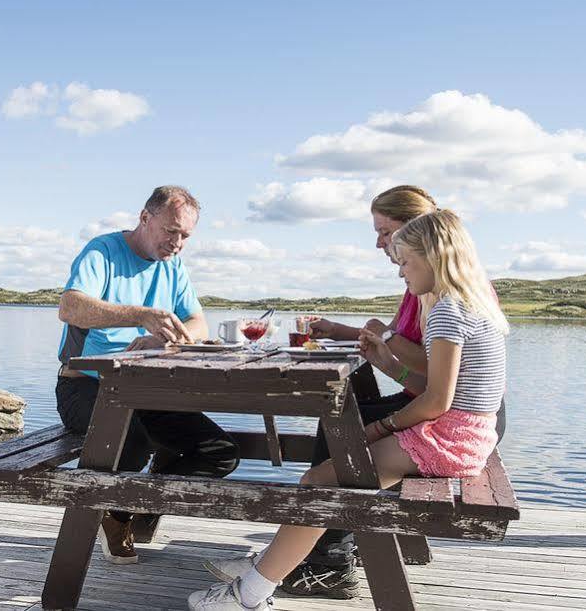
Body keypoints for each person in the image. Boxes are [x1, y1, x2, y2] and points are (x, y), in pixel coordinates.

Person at [188, 209, 509, 611]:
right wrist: (388, 362)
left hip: (449, 437)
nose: (401, 273)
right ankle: (261, 578)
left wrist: (380, 428)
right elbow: (433, 389)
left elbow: (436, 402)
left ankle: (250, 593)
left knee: (320, 482)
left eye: (406, 261)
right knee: (324, 476)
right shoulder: (468, 302)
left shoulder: (446, 310)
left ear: (434, 256)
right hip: (467, 433)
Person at [277, 185, 506, 599]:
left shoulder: (443, 299)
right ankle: (322, 550)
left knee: (341, 430)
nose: (382, 244)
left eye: (386, 233)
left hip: (455, 420)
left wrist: (383, 344)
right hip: (454, 415)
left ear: (418, 232)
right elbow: (416, 364)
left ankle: (329, 560)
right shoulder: (432, 287)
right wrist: (372, 346)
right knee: (344, 422)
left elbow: (432, 375)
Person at [55, 185, 240, 566]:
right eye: (170, 231)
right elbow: (70, 307)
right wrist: (139, 315)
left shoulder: (173, 264)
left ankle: (121, 511)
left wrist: (166, 341)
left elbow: (197, 320)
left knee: (220, 453)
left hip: (146, 389)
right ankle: (121, 507)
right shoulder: (103, 251)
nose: (177, 242)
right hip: (85, 387)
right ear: (145, 218)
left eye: (185, 235)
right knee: (133, 440)